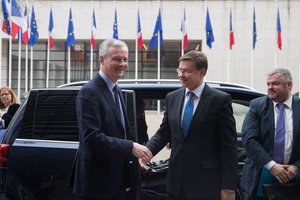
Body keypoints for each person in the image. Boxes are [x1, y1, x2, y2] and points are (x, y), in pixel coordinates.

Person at [141, 50, 238, 200]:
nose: (181, 74)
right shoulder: (172, 98)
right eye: (179, 70)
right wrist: (145, 153)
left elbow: (229, 147)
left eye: (187, 71)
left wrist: (229, 187)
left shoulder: (220, 100)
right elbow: (164, 132)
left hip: (206, 184)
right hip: (176, 182)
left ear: (202, 72)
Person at [72, 39, 152, 200]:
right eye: (116, 59)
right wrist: (131, 147)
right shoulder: (90, 92)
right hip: (97, 183)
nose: (122, 63)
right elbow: (91, 137)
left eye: (125, 59)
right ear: (101, 60)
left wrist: (133, 160)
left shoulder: (116, 89)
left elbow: (121, 133)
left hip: (118, 182)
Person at [241, 68, 300, 200]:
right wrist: (271, 165)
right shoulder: (257, 105)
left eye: (275, 84)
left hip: (294, 177)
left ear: (289, 85)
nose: (270, 87)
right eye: (268, 84)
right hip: (262, 173)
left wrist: (297, 166)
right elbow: (249, 139)